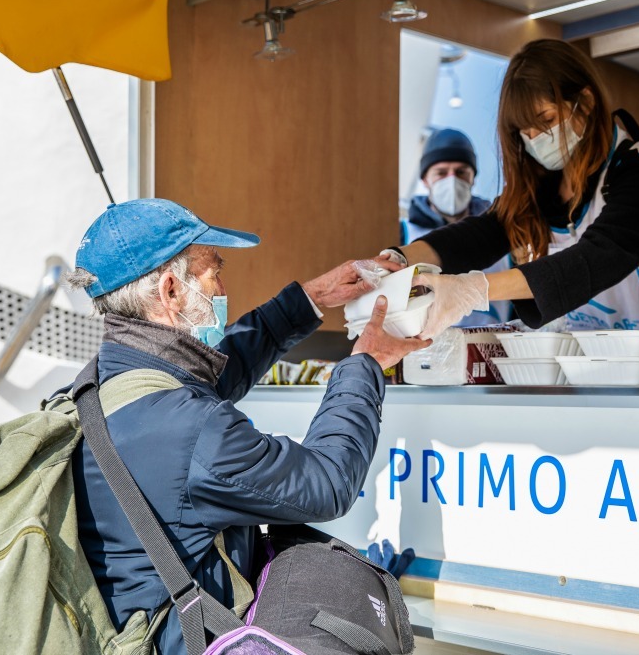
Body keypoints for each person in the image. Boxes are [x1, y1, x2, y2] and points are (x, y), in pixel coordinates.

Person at [63, 198, 429, 654]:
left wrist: (311, 299)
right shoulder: (193, 431)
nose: (222, 287)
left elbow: (209, 374)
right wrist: (366, 364)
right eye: (214, 272)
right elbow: (328, 482)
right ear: (171, 291)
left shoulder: (100, 388)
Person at [378, 39, 639, 343]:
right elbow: (480, 234)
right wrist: (398, 259)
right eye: (525, 131)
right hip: (608, 357)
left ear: (585, 101)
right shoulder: (543, 187)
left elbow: (596, 258)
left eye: (546, 121)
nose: (535, 139)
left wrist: (475, 289)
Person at [403, 128, 509, 327]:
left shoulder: (504, 233)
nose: (452, 180)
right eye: (441, 173)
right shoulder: (405, 234)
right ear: (425, 179)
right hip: (423, 352)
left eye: (461, 172)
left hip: (491, 350)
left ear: (473, 178)